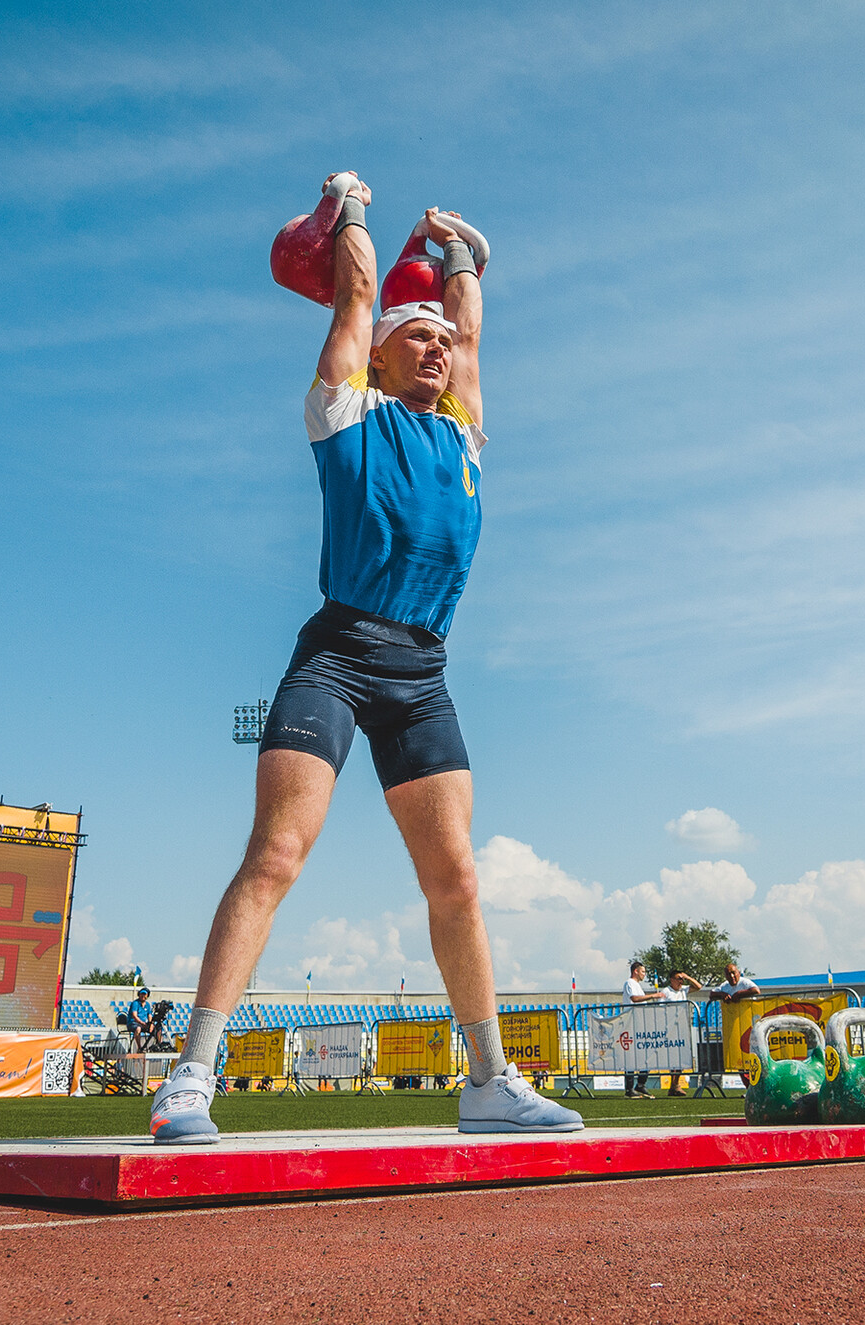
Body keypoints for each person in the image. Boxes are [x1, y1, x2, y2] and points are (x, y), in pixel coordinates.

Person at [150, 175, 582, 1143]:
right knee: (277, 854)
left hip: (424, 669)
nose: (436, 346)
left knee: (459, 880)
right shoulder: (346, 413)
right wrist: (347, 204)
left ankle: (489, 1080)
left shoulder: (464, 429)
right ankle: (188, 1074)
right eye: (414, 336)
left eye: (443, 339)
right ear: (379, 358)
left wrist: (461, 250)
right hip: (340, 653)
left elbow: (469, 320)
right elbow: (354, 292)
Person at [622, 960, 702, 1097]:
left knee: (647, 1055)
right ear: (636, 971)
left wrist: (687, 977)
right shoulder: (630, 983)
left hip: (652, 1023)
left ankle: (642, 1084)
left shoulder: (682, 990)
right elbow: (635, 999)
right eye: (643, 971)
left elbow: (699, 987)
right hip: (634, 1021)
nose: (644, 974)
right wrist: (654, 996)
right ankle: (630, 1088)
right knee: (633, 1056)